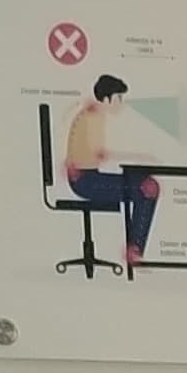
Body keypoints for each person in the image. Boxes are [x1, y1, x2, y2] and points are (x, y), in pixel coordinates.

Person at [62, 76, 159, 269]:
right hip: (86, 182)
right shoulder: (93, 116)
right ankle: (134, 251)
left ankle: (134, 248)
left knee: (147, 185)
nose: (121, 103)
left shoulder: (92, 113)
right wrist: (140, 156)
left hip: (87, 178)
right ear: (106, 99)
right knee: (148, 187)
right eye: (119, 98)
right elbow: (100, 154)